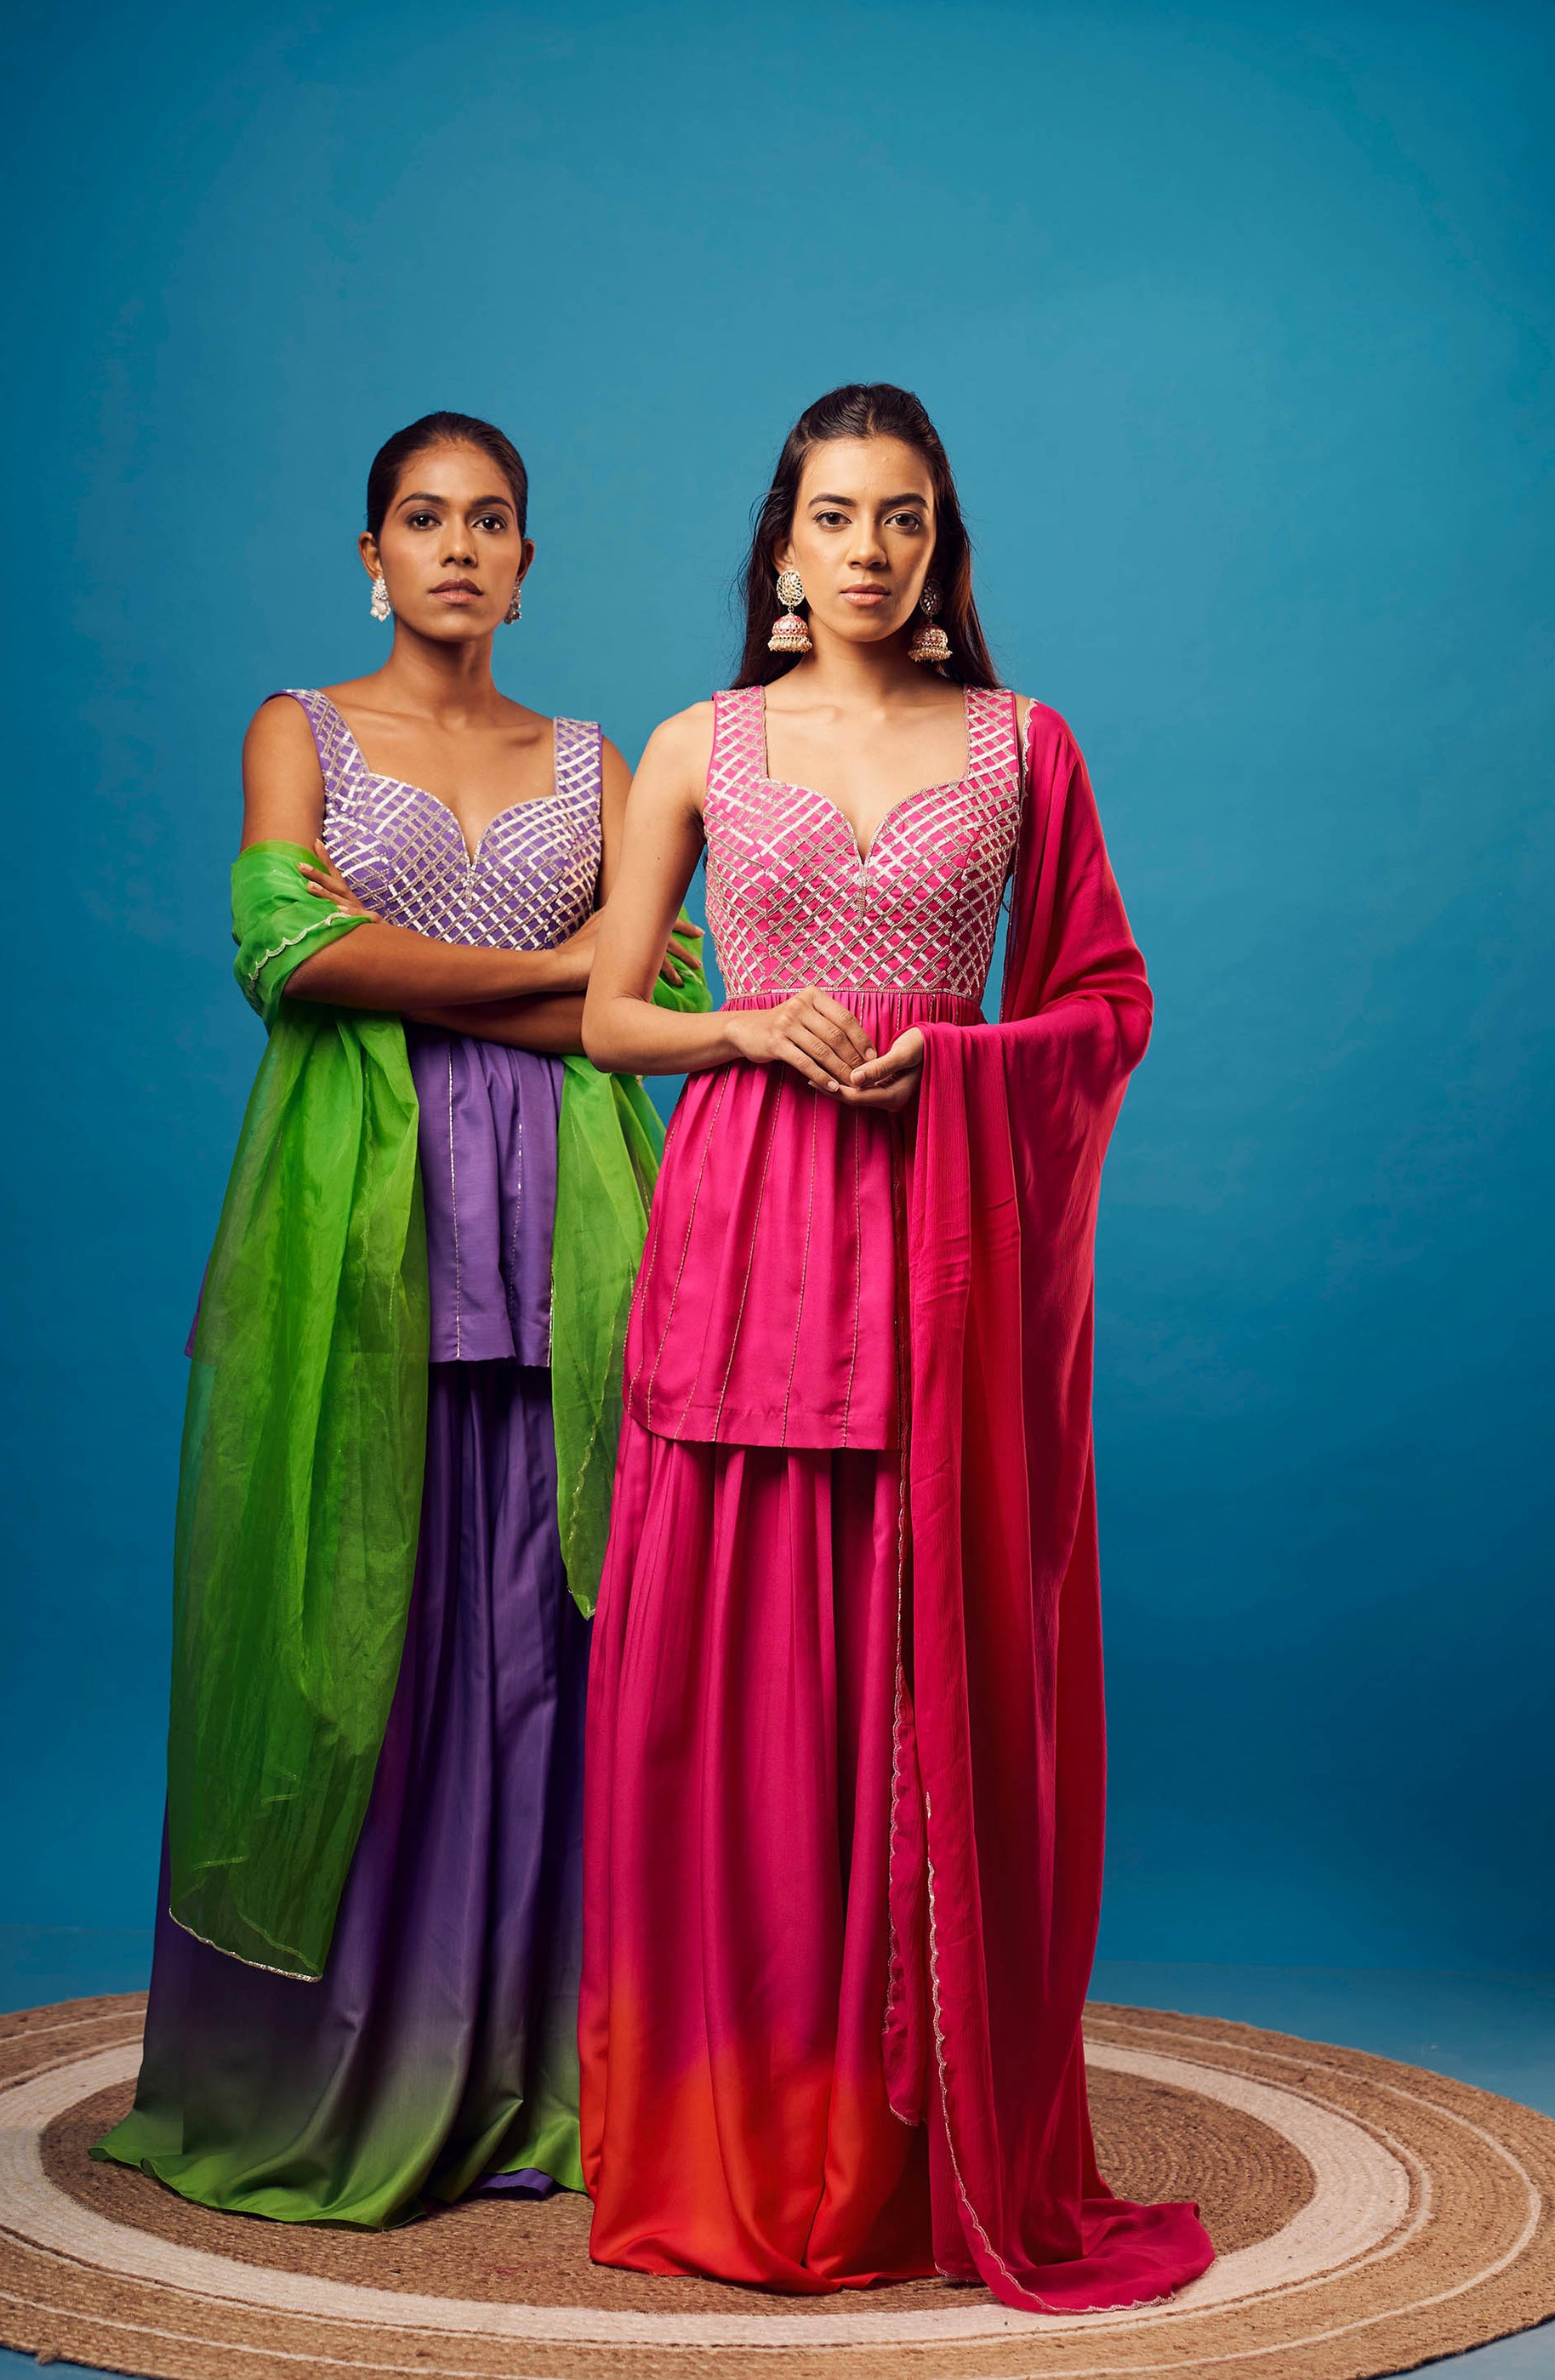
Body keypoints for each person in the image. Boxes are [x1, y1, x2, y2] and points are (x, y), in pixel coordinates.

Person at [577, 384, 1215, 2309]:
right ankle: (736, 2128)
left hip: (936, 1252)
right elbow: (608, 1014)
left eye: (905, 518)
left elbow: (1106, 998)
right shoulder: (696, 743)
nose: (870, 550)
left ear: (943, 547)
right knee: (730, 1682)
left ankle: (898, 2147)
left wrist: (964, 1059)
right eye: (838, 516)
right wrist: (743, 1028)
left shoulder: (1024, 746)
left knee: (902, 1666)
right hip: (742, 1229)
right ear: (781, 546)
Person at [95, 410, 704, 2227]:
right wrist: (555, 969)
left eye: (489, 519)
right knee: (360, 1634)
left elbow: (657, 997)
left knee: (547, 1645)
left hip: (574, 1239)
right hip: (357, 1227)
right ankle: (350, 2068)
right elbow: (290, 950)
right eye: (423, 519)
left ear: (526, 562)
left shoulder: (595, 759)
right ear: (372, 557)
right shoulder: (300, 728)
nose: (457, 546)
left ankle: (542, 2066)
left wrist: (490, 976)